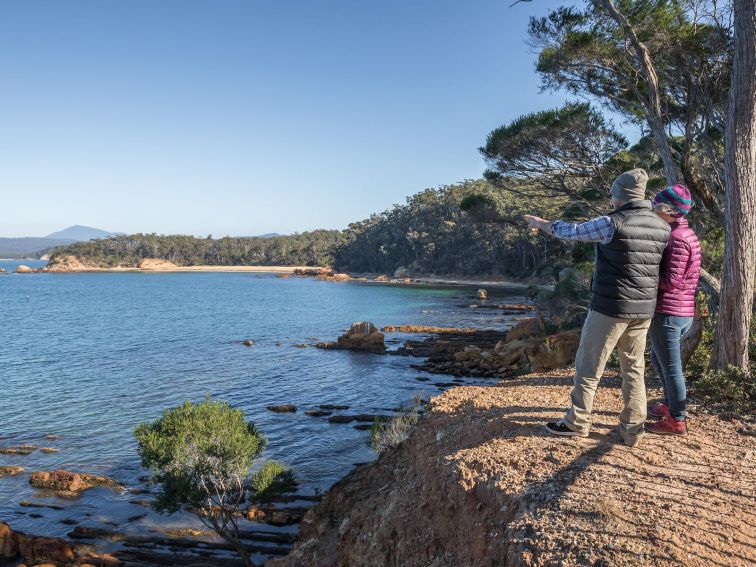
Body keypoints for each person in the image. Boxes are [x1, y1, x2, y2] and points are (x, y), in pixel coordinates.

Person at [525, 168, 670, 446]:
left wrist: (542, 223)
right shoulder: (661, 226)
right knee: (634, 368)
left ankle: (576, 422)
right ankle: (632, 430)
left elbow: (574, 232)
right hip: (643, 309)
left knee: (588, 367)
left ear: (621, 196)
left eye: (614, 194)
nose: (612, 199)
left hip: (610, 306)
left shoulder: (612, 223)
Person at [646, 185, 701, 436]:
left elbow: (671, 280)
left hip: (669, 312)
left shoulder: (676, 239)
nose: (653, 209)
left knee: (671, 368)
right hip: (681, 310)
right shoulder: (683, 233)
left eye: (657, 206)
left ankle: (677, 419)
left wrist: (644, 274)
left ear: (670, 210)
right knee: (659, 360)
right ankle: (669, 406)